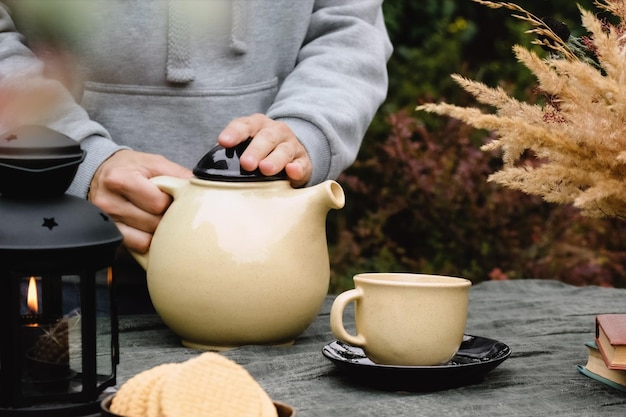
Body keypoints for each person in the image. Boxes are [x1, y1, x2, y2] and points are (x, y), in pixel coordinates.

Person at [0, 1, 392, 311]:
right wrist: (81, 157)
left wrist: (304, 131)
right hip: (53, 265)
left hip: (264, 272)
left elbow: (350, 27)